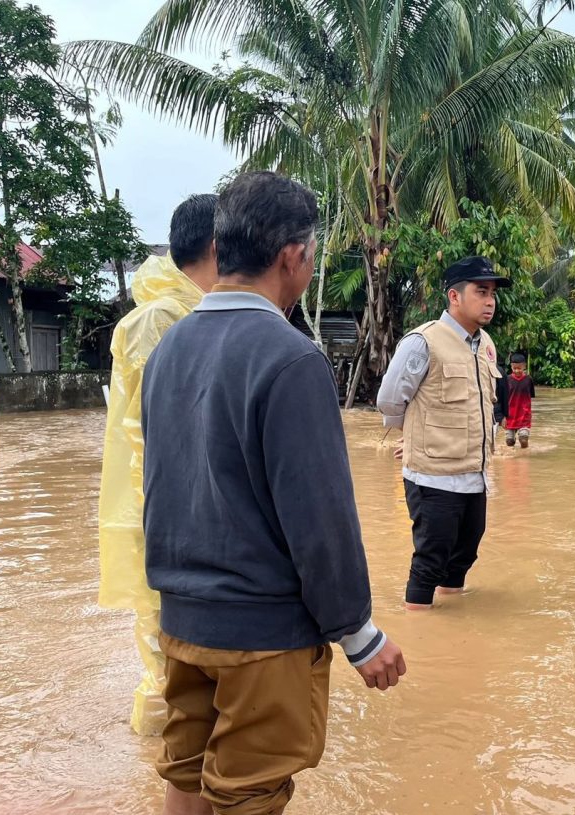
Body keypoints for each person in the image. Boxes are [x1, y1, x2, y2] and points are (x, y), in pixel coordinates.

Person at [140, 171, 405, 815]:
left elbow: (160, 485)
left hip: (179, 618)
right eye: (312, 257)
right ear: (292, 256)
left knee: (186, 770)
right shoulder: (290, 358)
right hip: (261, 632)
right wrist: (358, 633)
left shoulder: (167, 349)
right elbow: (319, 518)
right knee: (250, 791)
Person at [96, 194, 219, 736]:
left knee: (179, 648)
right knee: (167, 649)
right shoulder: (160, 320)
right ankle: (161, 761)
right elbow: (150, 434)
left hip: (172, 509)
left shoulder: (182, 310)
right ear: (219, 246)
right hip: (163, 511)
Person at [377, 256, 509, 610]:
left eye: (493, 293)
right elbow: (390, 400)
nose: (490, 301)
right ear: (454, 296)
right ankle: (420, 634)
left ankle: (452, 634)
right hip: (433, 477)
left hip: (474, 475)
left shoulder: (485, 345)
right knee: (429, 563)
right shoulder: (424, 342)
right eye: (481, 292)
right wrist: (413, 437)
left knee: (462, 559)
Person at [503, 352, 536, 449]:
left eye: (519, 368)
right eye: (514, 368)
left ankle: (525, 455)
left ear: (524, 367)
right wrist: (502, 416)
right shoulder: (507, 380)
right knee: (509, 442)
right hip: (510, 415)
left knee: (524, 439)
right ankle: (512, 460)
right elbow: (503, 397)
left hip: (524, 415)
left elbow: (531, 396)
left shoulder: (528, 380)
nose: (517, 370)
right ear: (511, 367)